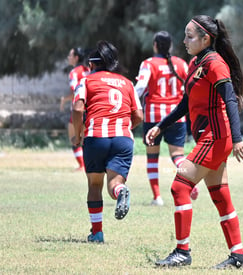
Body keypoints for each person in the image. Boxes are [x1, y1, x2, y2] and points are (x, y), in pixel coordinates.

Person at [146, 15, 243, 269]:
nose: (184, 41)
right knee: (220, 195)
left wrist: (237, 140)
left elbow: (230, 101)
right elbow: (185, 104)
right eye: (184, 35)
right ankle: (238, 256)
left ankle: (182, 252)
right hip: (211, 136)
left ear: (206, 39)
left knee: (180, 186)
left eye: (189, 36)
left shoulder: (215, 64)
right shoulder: (195, 62)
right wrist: (161, 126)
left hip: (215, 136)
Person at [72, 40, 143, 243]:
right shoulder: (127, 83)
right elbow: (139, 115)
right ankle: (121, 191)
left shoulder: (86, 80)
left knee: (95, 185)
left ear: (92, 64)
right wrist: (124, 127)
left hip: (96, 137)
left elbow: (78, 109)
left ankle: (97, 233)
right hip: (123, 139)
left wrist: (78, 135)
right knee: (115, 183)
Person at [135, 31, 198, 206]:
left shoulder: (148, 63)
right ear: (170, 46)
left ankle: (157, 197)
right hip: (176, 116)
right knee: (178, 156)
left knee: (152, 158)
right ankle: (190, 183)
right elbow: (191, 88)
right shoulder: (181, 64)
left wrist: (131, 102)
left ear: (155, 45)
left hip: (153, 116)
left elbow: (140, 87)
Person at [60, 47, 90, 171]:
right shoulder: (89, 70)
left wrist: (64, 100)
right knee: (87, 138)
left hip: (78, 108)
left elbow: (76, 91)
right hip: (90, 108)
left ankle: (82, 165)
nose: (68, 57)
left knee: (73, 137)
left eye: (70, 55)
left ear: (76, 58)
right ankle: (88, 164)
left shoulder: (74, 73)